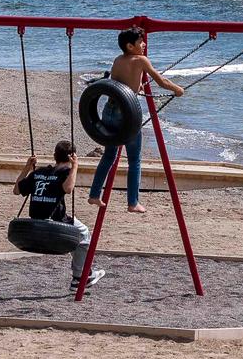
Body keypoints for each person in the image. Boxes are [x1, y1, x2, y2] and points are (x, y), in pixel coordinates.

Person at [89, 27, 185, 213]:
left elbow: (118, 82)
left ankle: (94, 195)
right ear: (130, 46)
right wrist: (178, 90)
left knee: (109, 156)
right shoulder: (141, 60)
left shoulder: (118, 60)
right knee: (134, 159)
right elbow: (162, 82)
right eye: (141, 42)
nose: (144, 44)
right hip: (126, 113)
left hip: (109, 109)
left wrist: (137, 84)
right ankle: (133, 202)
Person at [14, 140, 100, 290]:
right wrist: (75, 166)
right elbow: (68, 188)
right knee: (84, 235)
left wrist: (27, 167)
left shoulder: (39, 172)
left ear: (54, 156)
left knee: (78, 238)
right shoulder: (65, 173)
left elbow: (16, 190)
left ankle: (85, 273)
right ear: (72, 157)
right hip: (56, 221)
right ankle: (79, 277)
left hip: (35, 220)